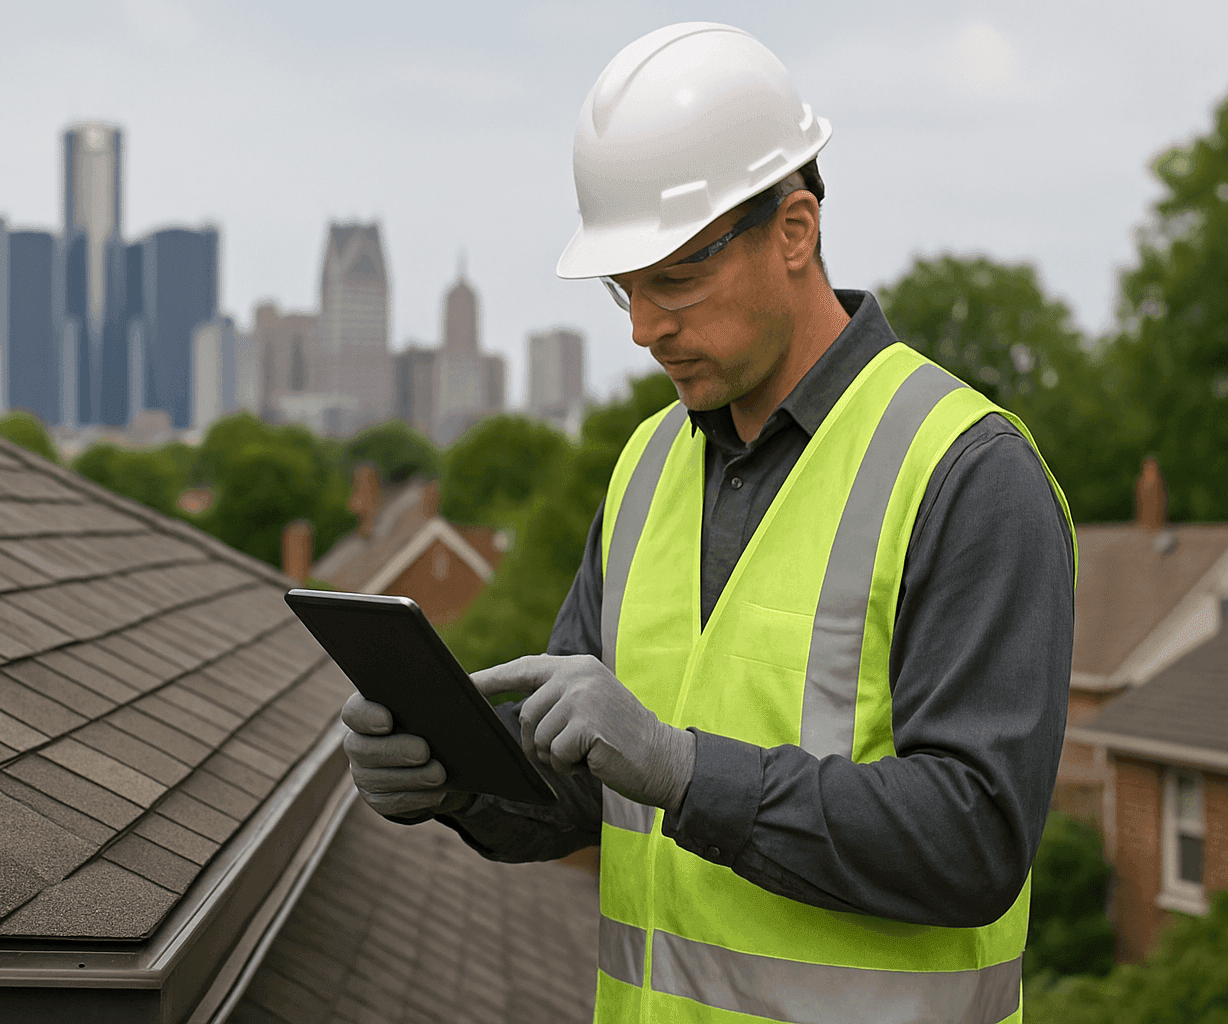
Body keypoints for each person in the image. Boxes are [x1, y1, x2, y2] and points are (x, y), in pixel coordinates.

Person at [342, 21, 1074, 1024]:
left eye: (675, 278)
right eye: (623, 289)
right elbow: (579, 787)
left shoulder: (967, 473)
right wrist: (454, 776)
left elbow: (974, 839)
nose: (644, 328)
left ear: (796, 230)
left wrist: (687, 773)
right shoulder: (646, 469)